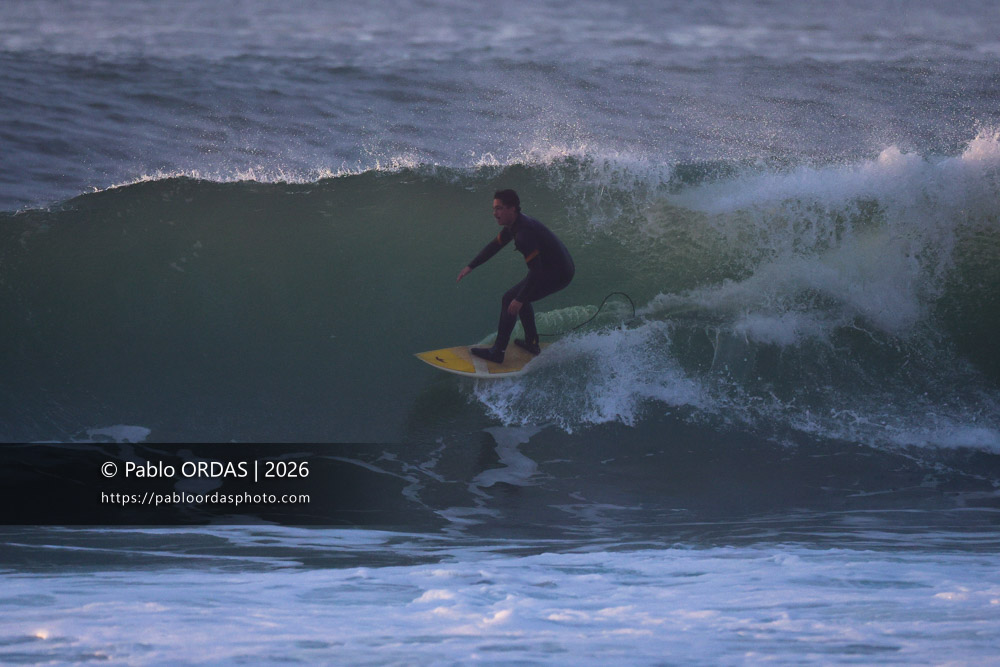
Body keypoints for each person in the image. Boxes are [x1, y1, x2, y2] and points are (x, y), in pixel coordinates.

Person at [456, 189, 575, 364]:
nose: (494, 213)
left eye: (499, 208)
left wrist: (519, 299)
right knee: (519, 297)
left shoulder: (523, 234)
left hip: (558, 273)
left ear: (512, 209)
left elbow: (536, 271)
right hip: (555, 267)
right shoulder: (514, 224)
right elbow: (495, 246)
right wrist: (471, 266)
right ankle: (531, 343)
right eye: (494, 208)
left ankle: (498, 352)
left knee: (511, 299)